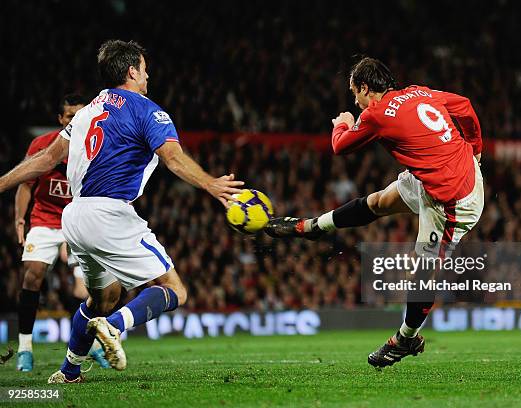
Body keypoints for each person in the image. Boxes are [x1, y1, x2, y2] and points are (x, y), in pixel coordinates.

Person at [0, 39, 244, 383]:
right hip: (110, 213)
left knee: (103, 298)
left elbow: (44, 159)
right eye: (144, 70)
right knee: (175, 289)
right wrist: (211, 184)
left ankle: (69, 370)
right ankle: (114, 327)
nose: (148, 76)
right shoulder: (148, 110)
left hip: (74, 216)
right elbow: (172, 157)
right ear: (132, 71)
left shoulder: (87, 112)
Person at [266, 57, 484, 368]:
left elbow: (340, 146)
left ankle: (406, 338)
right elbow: (464, 105)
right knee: (380, 202)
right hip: (442, 173)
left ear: (366, 89)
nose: (354, 101)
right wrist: (476, 147)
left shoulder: (377, 114)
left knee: (422, 271)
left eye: (354, 93)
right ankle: (313, 227)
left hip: (453, 197)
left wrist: (342, 122)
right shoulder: (420, 92)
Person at [14, 94, 109, 372]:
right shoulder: (42, 145)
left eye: (80, 115)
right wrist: (20, 218)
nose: (75, 120)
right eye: (70, 116)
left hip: (77, 222)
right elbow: (25, 184)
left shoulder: (95, 147)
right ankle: (25, 348)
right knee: (33, 273)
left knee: (87, 290)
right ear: (60, 120)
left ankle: (89, 345)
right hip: (44, 219)